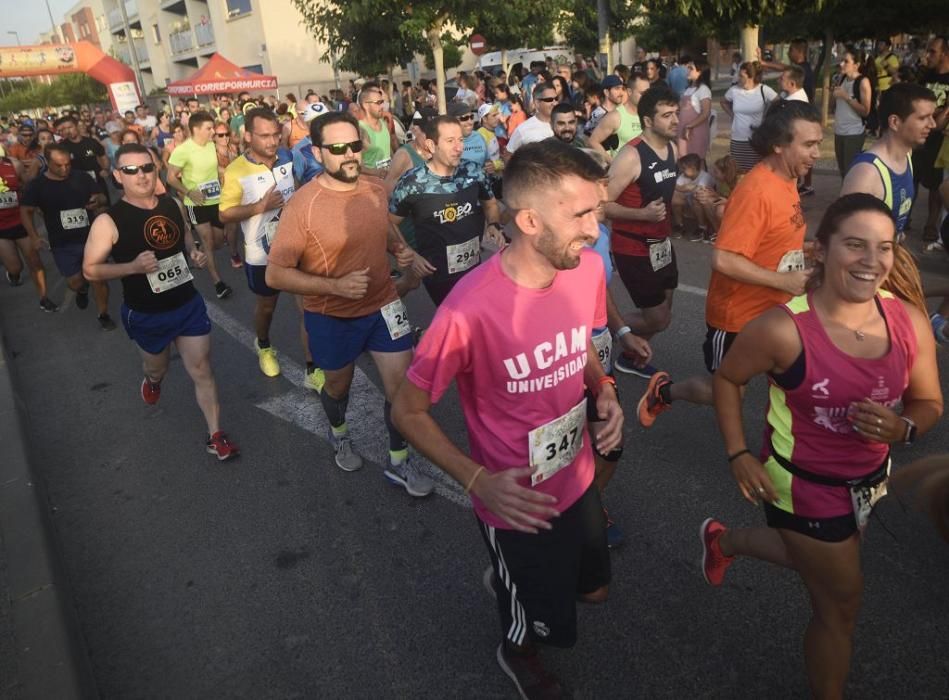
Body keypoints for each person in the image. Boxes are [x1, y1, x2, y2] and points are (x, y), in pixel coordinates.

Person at [391, 139, 623, 698]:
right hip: (515, 499)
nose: (596, 230)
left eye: (599, 211)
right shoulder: (467, 310)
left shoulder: (586, 269)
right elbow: (407, 410)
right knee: (535, 625)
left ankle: (514, 583)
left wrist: (605, 389)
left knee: (594, 593)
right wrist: (476, 481)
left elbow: (583, 342)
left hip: (578, 472)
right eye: (581, 215)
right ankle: (517, 651)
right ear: (528, 220)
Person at [701, 193, 942, 699]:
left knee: (822, 558)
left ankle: (724, 542)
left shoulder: (909, 322)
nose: (871, 262)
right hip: (804, 485)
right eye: (855, 245)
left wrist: (905, 431)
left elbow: (928, 402)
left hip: (869, 482)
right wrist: (738, 453)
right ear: (822, 249)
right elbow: (727, 379)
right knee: (840, 604)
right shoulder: (782, 330)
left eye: (884, 248)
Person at [265, 111, 430, 495]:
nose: (349, 155)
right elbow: (275, 275)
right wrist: (335, 286)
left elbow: (384, 229)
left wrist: (399, 249)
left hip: (384, 306)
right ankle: (339, 432)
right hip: (331, 315)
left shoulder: (374, 188)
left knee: (401, 390)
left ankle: (399, 461)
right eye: (337, 148)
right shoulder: (303, 206)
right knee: (338, 389)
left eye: (354, 145)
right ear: (319, 153)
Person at [637, 100, 823, 426]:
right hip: (738, 317)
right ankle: (665, 392)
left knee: (796, 379)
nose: (817, 153)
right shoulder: (758, 191)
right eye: (809, 144)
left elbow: (772, 238)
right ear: (779, 145)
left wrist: (806, 248)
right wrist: (784, 282)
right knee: (726, 392)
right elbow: (723, 259)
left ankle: (788, 447)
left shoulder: (790, 178)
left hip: (776, 310)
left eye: (819, 143)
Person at [82, 143, 240, 461]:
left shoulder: (170, 204)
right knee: (159, 367)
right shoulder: (108, 221)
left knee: (202, 369)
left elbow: (181, 236)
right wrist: (132, 267)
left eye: (147, 167)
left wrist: (192, 251)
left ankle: (215, 435)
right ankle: (153, 381)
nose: (140, 175)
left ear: (156, 170)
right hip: (147, 312)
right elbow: (90, 269)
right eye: (131, 170)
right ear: (117, 175)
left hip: (186, 303)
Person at [219, 107, 321, 388]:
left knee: (307, 308)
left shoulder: (288, 156)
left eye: (276, 134)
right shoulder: (236, 169)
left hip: (296, 246)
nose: (272, 141)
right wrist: (259, 207)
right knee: (267, 307)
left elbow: (299, 186)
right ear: (247, 135)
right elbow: (225, 214)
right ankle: (263, 345)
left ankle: (312, 370)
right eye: (264, 136)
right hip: (261, 253)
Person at [605, 86, 681, 377]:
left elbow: (663, 191)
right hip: (633, 247)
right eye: (666, 115)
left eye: (676, 113)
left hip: (661, 244)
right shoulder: (631, 156)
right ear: (648, 121)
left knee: (664, 312)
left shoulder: (672, 148)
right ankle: (601, 331)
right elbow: (601, 205)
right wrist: (642, 214)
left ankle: (628, 357)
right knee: (658, 318)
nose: (675, 120)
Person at [389, 116, 503, 306]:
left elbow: (490, 203)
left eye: (460, 140)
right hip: (437, 274)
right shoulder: (412, 183)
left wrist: (493, 224)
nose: (459, 148)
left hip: (474, 268)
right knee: (457, 321)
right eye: (450, 141)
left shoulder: (474, 172)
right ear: (431, 146)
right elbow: (389, 222)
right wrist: (410, 254)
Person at [20, 144, 115, 328]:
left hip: (90, 238)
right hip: (62, 243)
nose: (64, 169)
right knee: (75, 281)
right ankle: (81, 289)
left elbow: (101, 196)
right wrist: (33, 236)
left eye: (67, 164)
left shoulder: (81, 177)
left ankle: (103, 315)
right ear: (47, 162)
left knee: (99, 279)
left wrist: (98, 200)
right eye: (58, 165)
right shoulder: (37, 185)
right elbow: (26, 210)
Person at [841, 83, 937, 240]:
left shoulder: (907, 156)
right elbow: (846, 240)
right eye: (923, 118)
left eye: (932, 117)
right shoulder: (866, 173)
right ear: (894, 122)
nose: (932, 124)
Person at [166, 110, 234, 300]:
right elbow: (170, 178)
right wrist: (188, 192)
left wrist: (228, 172)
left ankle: (199, 255)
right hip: (196, 204)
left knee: (219, 241)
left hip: (216, 201)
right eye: (209, 128)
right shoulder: (182, 150)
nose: (213, 131)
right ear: (196, 129)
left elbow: (213, 169)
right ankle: (218, 283)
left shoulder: (211, 146)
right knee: (208, 242)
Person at [0, 153, 53, 309]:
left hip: (20, 222)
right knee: (15, 267)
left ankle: (44, 298)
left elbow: (28, 187)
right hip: (1, 229)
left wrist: (38, 207)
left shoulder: (14, 164)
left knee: (35, 262)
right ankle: (13, 273)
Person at [912, 36, 949, 244]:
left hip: (939, 141)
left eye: (933, 51)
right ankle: (904, 216)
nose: (928, 55)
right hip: (919, 135)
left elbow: (945, 115)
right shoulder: (925, 76)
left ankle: (931, 224)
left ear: (945, 53)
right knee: (912, 176)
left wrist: (933, 119)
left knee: (936, 185)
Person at [721, 62, 778, 173]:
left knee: (755, 171)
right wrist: (732, 114)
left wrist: (767, 119)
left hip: (755, 139)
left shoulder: (763, 90)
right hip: (737, 138)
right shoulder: (734, 90)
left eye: (741, 76)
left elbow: (778, 103)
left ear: (750, 76)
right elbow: (723, 101)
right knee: (737, 171)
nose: (738, 78)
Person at [833, 47, 874, 177]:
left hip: (854, 132)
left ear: (856, 65)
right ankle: (845, 195)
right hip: (839, 130)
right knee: (843, 171)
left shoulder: (863, 82)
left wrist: (846, 97)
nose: (841, 64)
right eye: (841, 61)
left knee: (850, 172)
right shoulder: (842, 78)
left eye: (846, 61)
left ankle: (851, 196)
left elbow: (865, 111)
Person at [590, 74, 650, 160]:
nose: (646, 96)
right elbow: (593, 141)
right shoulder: (615, 117)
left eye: (648, 93)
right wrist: (612, 163)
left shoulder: (650, 114)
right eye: (642, 93)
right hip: (625, 171)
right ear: (629, 92)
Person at [676, 59, 713, 162]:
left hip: (696, 132)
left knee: (696, 163)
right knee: (683, 161)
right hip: (683, 132)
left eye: (691, 68)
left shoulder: (703, 89)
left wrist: (690, 125)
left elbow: (706, 113)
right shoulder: (688, 89)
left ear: (700, 72)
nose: (688, 70)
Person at [356, 81, 396, 177]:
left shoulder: (384, 122)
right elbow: (355, 165)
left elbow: (389, 150)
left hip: (389, 181)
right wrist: (378, 173)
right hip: (371, 185)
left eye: (382, 102)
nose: (382, 106)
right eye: (378, 103)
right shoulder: (360, 129)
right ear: (365, 105)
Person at [505, 83, 556, 156]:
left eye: (556, 99)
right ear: (537, 102)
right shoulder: (523, 129)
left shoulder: (566, 124)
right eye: (549, 99)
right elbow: (508, 154)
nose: (554, 103)